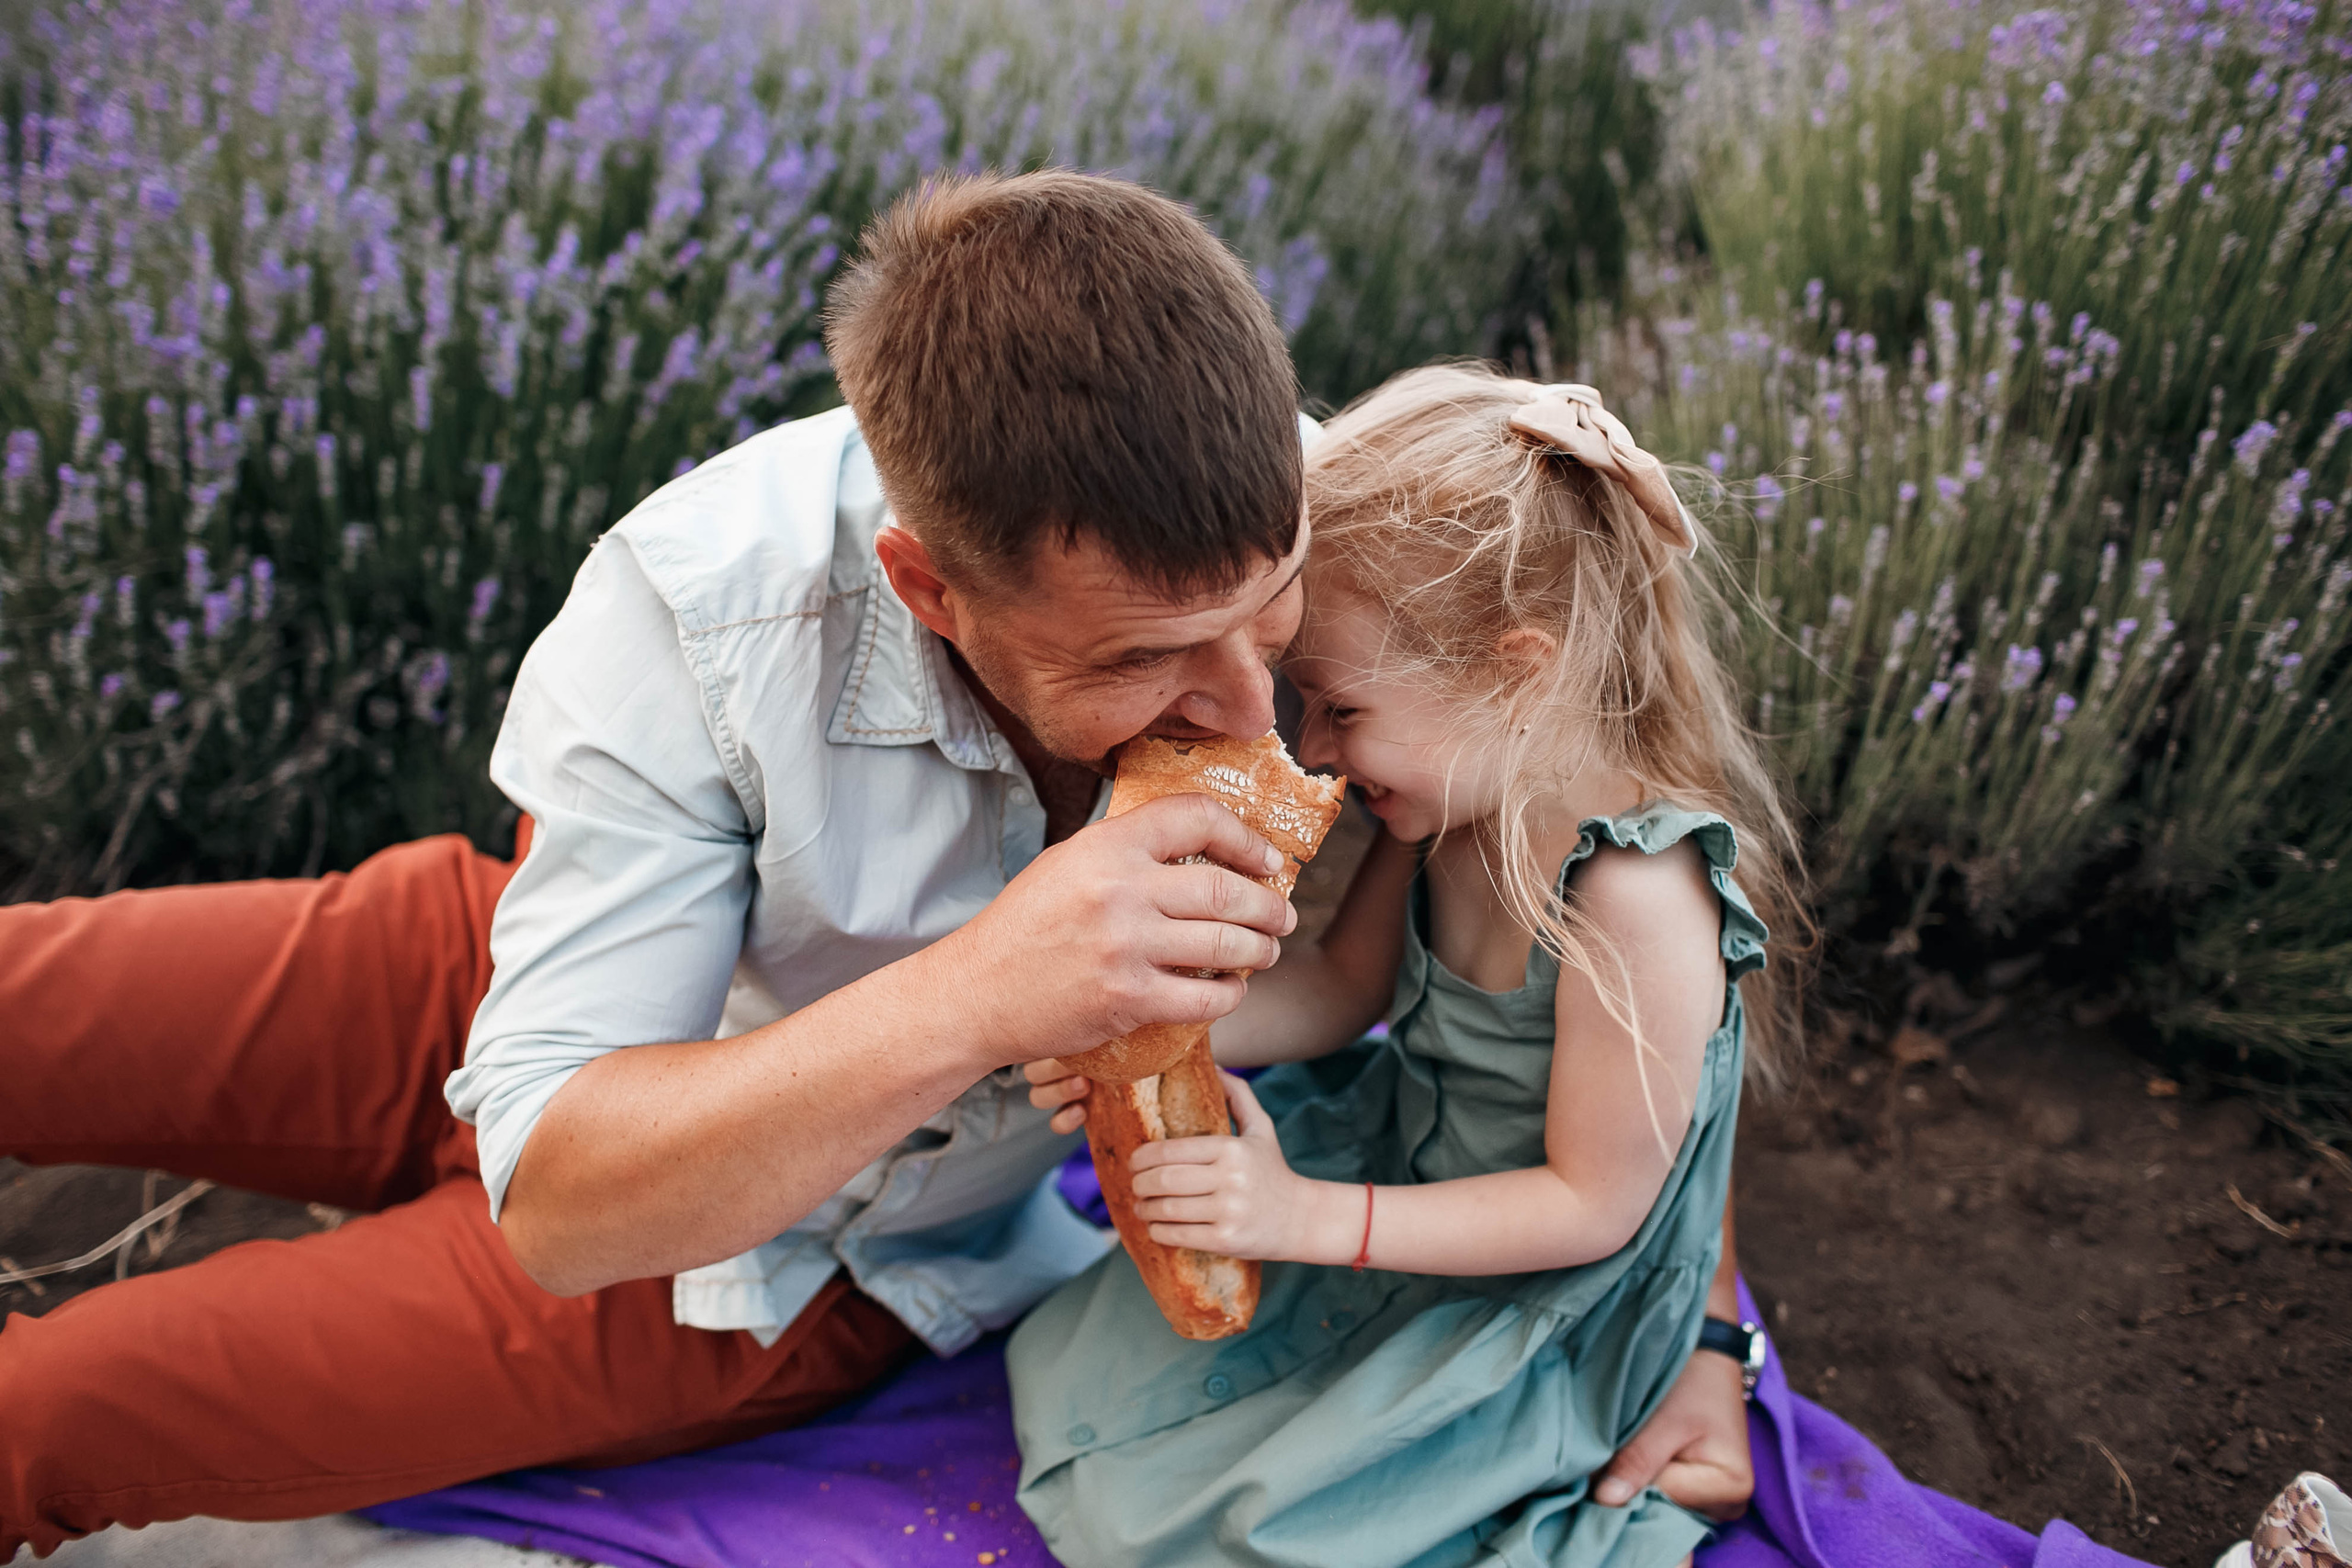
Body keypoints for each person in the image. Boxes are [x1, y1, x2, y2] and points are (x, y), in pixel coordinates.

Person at [0, 176, 1748, 1561]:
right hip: (557, 1031)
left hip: (770, 1257)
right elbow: (559, 1168)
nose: (1249, 708)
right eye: (1143, 663)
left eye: (1273, 636)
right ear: (933, 591)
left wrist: (1706, 1327)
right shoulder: (695, 621)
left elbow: (1644, 895)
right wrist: (994, 982)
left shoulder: (1327, 527)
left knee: (54, 1408)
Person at [1012, 364, 1809, 1568]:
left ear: (1515, 670)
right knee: (1076, 1368)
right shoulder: (1459, 807)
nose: (1311, 749)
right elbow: (1345, 989)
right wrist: (1149, 1031)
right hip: (1402, 1177)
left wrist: (1303, 1217)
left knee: (1222, 1531)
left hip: (1538, 1283)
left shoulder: (1638, 902)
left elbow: (1592, 1206)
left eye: (1338, 708)